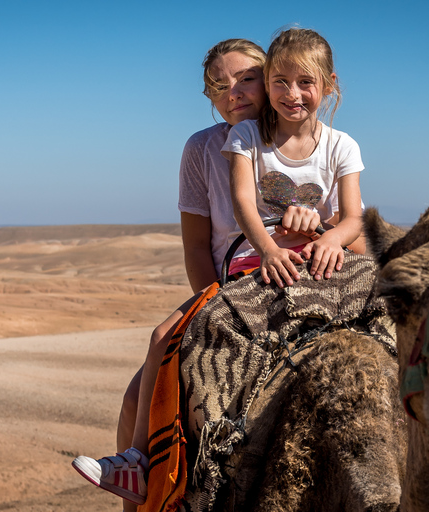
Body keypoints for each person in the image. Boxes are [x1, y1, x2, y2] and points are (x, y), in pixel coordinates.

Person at [72, 38, 268, 510]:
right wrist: (216, 307)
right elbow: (197, 247)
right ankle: (136, 474)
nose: (233, 92)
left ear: (271, 77)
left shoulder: (309, 138)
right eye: (219, 86)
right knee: (138, 395)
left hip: (301, 280)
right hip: (229, 291)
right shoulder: (202, 149)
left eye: (245, 78)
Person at [223, 28, 363, 288]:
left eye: (305, 82)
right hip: (255, 257)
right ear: (267, 83)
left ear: (328, 84)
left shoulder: (343, 146)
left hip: (317, 254)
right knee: (164, 332)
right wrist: (268, 250)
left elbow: (353, 218)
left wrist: (331, 239)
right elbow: (242, 202)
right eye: (281, 81)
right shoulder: (246, 136)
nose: (292, 93)